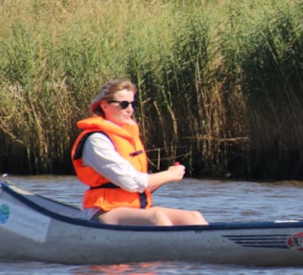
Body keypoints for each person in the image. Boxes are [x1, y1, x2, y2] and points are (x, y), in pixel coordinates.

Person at [70, 79, 208, 226]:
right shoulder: (96, 140)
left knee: (194, 217)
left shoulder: (128, 137)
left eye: (132, 104)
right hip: (102, 212)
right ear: (105, 105)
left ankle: (212, 248)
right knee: (156, 217)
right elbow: (131, 182)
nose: (130, 109)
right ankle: (173, 248)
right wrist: (169, 175)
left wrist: (168, 175)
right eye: (124, 104)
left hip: (134, 209)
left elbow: (142, 186)